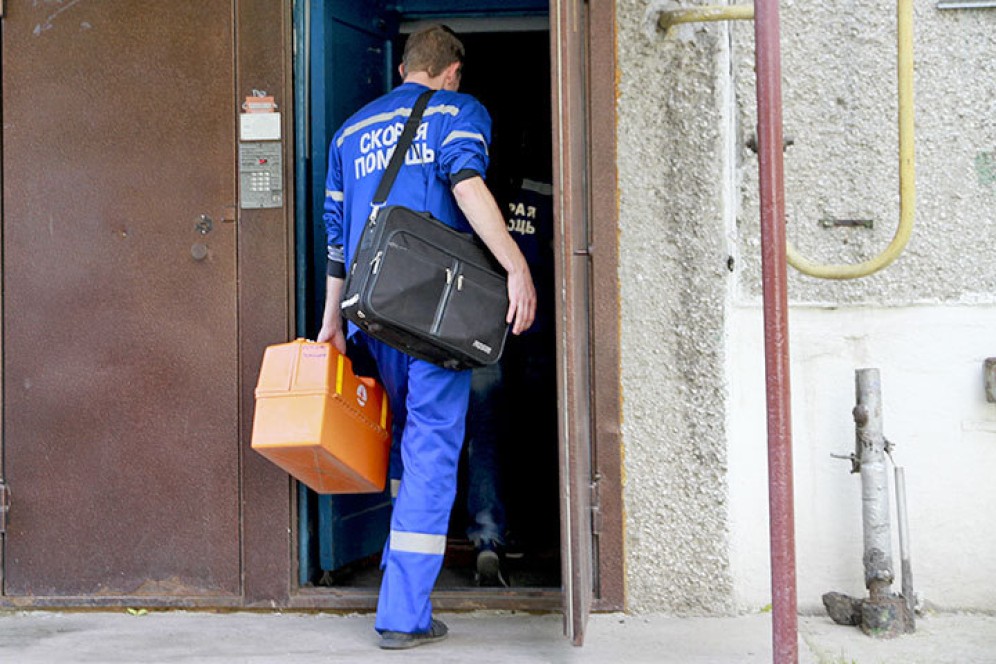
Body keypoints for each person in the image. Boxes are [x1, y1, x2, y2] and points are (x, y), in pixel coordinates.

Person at [317, 25, 536, 650]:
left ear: (404, 68)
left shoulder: (350, 131)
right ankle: (403, 613)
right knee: (433, 453)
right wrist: (515, 266)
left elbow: (337, 237)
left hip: (371, 314)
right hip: (435, 315)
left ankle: (395, 575)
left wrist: (332, 322)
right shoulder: (459, 111)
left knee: (402, 447)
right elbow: (466, 185)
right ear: (452, 71)